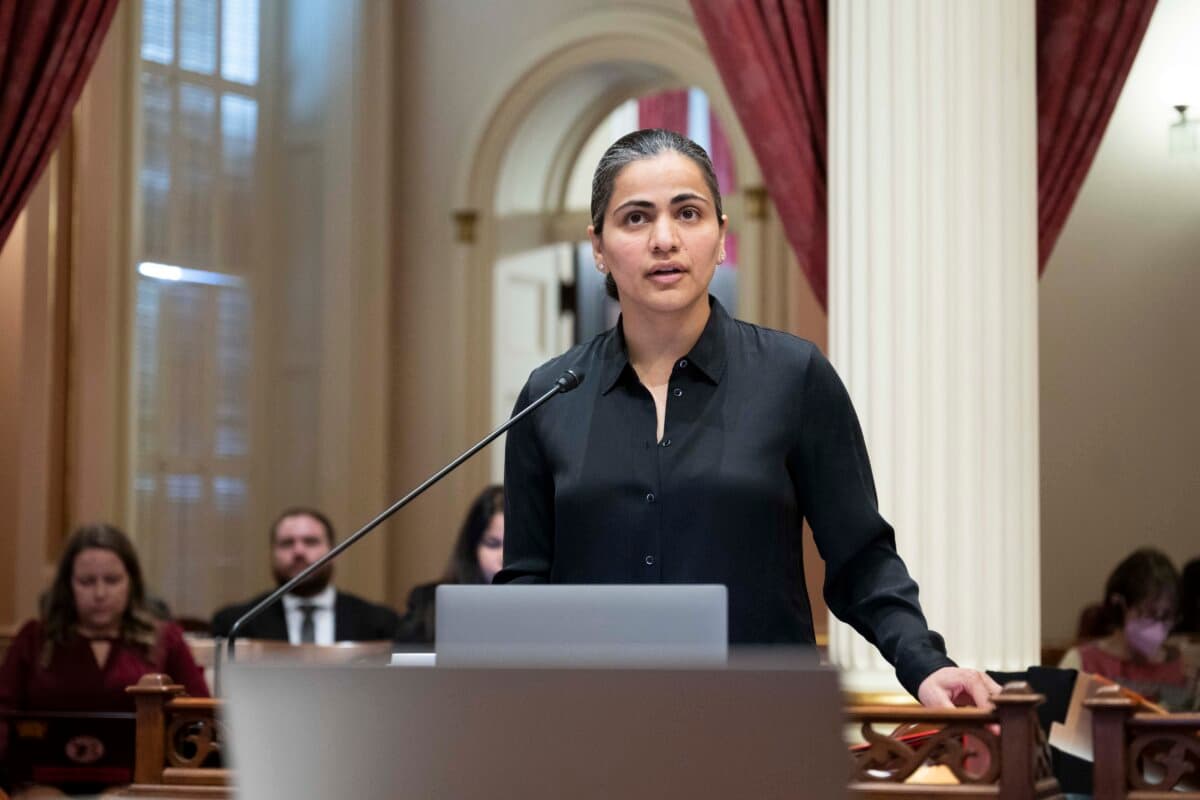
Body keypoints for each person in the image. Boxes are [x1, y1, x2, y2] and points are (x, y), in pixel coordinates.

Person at [496, 128, 999, 707]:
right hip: (595, 728)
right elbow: (525, 586)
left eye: (688, 213)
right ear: (599, 247)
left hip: (762, 725)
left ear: (720, 237)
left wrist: (925, 664)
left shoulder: (793, 375)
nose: (665, 239)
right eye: (635, 218)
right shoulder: (550, 395)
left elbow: (861, 558)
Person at [0, 524, 209, 791]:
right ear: (68, 586)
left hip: (140, 788)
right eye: (87, 582)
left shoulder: (165, 639)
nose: (100, 594)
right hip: (41, 787)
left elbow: (198, 718)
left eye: (112, 580)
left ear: (131, 582)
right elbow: (3, 717)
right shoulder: (34, 639)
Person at [211, 507, 400, 643]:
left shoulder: (379, 623)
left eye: (310, 542)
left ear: (333, 551)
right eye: (287, 543)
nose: (299, 551)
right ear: (272, 554)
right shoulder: (236, 623)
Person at [1059, 548, 1189, 707]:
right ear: (1119, 605)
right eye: (1149, 613)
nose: (1158, 626)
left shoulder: (1185, 669)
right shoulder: (1080, 663)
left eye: (1166, 616)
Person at [395, 485, 505, 645]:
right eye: (493, 544)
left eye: (515, 546)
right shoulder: (429, 605)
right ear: (471, 547)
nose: (503, 557)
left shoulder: (545, 609)